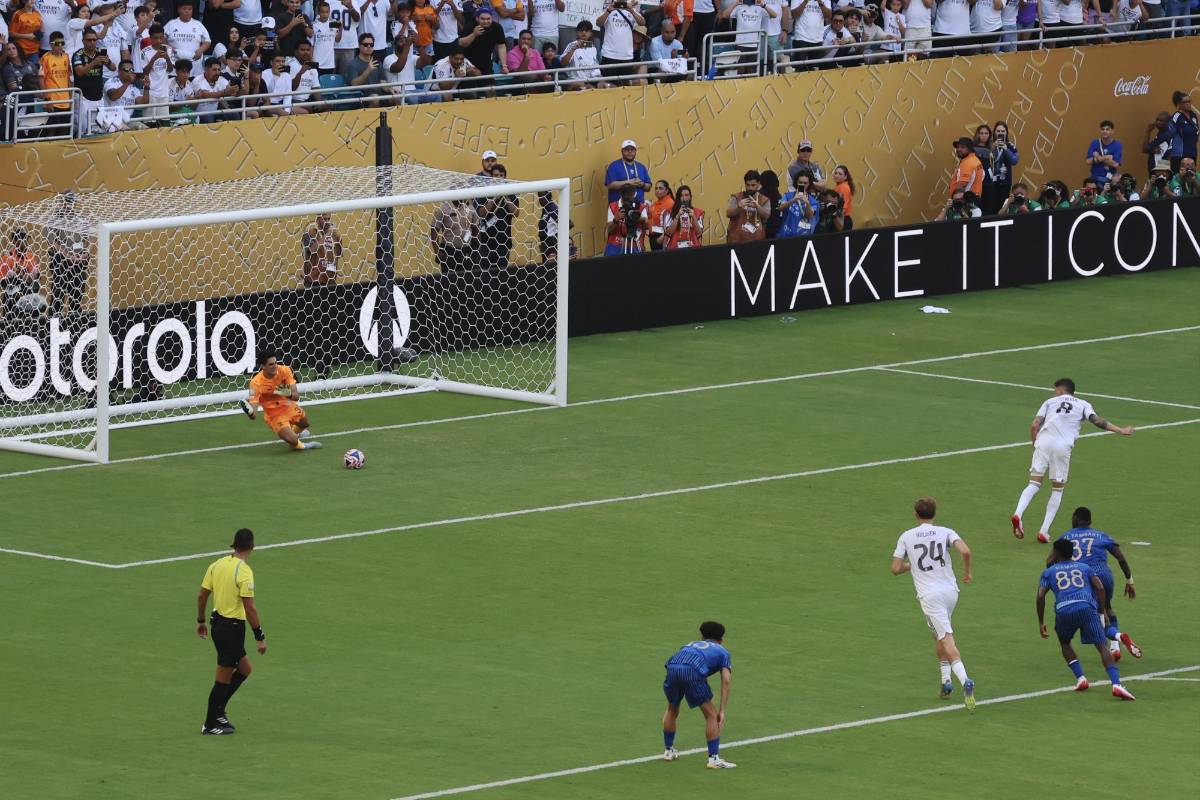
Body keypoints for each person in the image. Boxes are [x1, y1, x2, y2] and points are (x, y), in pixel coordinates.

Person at [1011, 378, 1134, 543]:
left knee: (1033, 484)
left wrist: (1036, 444)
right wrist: (1121, 430)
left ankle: (1018, 514)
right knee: (1057, 489)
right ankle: (1044, 531)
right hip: (1062, 446)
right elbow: (1098, 421)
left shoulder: (1049, 402)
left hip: (1044, 442)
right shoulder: (1083, 404)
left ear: (1061, 390)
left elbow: (1035, 425)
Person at [891, 497, 975, 708]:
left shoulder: (906, 537)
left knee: (946, 638)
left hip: (930, 596)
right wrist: (967, 573)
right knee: (938, 632)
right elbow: (965, 551)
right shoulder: (946, 531)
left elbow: (895, 568)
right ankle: (945, 681)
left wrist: (911, 567)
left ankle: (965, 681)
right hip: (950, 592)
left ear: (916, 515)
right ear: (934, 514)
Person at [1036, 538, 1136, 700]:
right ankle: (1116, 684)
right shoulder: (1084, 567)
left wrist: (1041, 622)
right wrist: (1101, 612)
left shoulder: (1049, 572)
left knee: (1065, 642)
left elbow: (1040, 596)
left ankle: (1081, 678)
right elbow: (1100, 587)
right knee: (1102, 646)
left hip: (1064, 610)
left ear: (1056, 553)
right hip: (1086, 607)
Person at [196, 528, 269, 735]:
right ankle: (210, 723)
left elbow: (202, 595)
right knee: (223, 677)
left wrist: (201, 620)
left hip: (217, 624)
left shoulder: (217, 564)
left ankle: (219, 712)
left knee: (245, 669)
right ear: (252, 547)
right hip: (232, 629)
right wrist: (260, 637)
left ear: (233, 545)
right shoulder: (244, 571)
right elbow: (250, 608)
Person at [1051, 506, 1143, 663]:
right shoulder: (1100, 535)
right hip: (1104, 575)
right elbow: (1120, 558)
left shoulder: (1067, 536)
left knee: (1095, 618)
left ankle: (1119, 638)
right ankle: (1115, 647)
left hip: (1084, 577)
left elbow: (1050, 561)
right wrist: (1129, 580)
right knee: (1107, 608)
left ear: (1076, 519)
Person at [660, 621, 735, 769]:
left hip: (672, 667)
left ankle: (668, 751)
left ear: (701, 636)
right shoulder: (722, 651)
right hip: (692, 672)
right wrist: (722, 711)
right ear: (721, 639)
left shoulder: (690, 644)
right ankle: (714, 759)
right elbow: (726, 681)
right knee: (712, 715)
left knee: (671, 709)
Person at [237, 349, 323, 450]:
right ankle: (302, 445)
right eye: (271, 364)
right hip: (274, 415)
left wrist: (288, 394)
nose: (275, 366)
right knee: (293, 441)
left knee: (305, 424)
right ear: (262, 366)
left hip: (288, 405)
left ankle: (294, 433)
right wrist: (251, 413)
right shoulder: (255, 383)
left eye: (275, 363)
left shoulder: (285, 370)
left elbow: (296, 396)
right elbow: (254, 413)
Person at [479, 162, 519, 269]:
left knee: (501, 274)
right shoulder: (484, 193)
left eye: (501, 175)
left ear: (505, 177)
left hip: (503, 242)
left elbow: (516, 213)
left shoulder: (511, 194)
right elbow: (481, 214)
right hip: (486, 242)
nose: (499, 178)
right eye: (496, 175)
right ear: (491, 177)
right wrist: (494, 199)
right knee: (485, 273)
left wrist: (505, 197)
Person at [597, 0, 644, 83]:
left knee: (625, 88)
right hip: (609, 55)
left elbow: (642, 23)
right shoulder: (608, 8)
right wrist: (608, 11)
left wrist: (632, 11)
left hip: (627, 56)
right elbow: (598, 23)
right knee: (608, 87)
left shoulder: (632, 9)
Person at [0, 229, 43, 318]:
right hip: (12, 301)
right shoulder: (6, 258)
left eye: (26, 239)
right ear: (15, 241)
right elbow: (3, 283)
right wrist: (20, 277)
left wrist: (33, 277)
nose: (26, 242)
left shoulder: (30, 257)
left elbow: (37, 279)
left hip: (29, 301)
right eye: (22, 239)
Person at [430, 196, 480, 270]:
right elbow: (434, 232)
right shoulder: (443, 209)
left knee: (468, 277)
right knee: (449, 278)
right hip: (449, 251)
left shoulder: (470, 209)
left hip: (466, 250)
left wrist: (476, 249)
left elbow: (476, 229)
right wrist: (438, 251)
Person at [725, 169, 769, 243]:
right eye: (748, 185)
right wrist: (738, 207)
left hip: (757, 240)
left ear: (758, 184)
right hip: (736, 240)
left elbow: (766, 216)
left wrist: (757, 207)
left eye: (753, 185)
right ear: (745, 184)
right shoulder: (736, 197)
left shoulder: (764, 200)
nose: (750, 188)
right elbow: (728, 213)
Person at [605, 183, 649, 255]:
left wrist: (638, 218)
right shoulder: (613, 206)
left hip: (635, 244)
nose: (629, 198)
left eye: (631, 195)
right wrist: (616, 220)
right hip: (615, 246)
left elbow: (646, 226)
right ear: (621, 194)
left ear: (634, 194)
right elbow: (609, 229)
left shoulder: (641, 207)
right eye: (627, 196)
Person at [561, 20, 606, 90]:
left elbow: (596, 68)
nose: (584, 32)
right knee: (587, 87)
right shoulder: (571, 45)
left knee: (607, 86)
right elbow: (563, 63)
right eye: (581, 30)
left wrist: (601, 80)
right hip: (576, 80)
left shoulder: (593, 47)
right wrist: (573, 49)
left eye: (587, 30)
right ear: (577, 33)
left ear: (591, 33)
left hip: (591, 80)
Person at [604, 139, 652, 204]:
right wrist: (629, 182)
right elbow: (610, 185)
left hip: (639, 207)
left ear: (635, 151)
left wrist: (642, 184)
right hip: (618, 208)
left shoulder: (641, 167)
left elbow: (648, 187)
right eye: (627, 150)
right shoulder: (614, 166)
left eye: (632, 150)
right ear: (622, 151)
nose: (630, 152)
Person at [777, 170, 819, 237]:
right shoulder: (788, 195)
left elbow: (810, 216)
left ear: (809, 184)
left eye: (805, 183)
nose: (802, 185)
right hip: (785, 235)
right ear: (796, 182)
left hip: (803, 237)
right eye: (800, 182)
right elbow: (780, 208)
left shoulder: (813, 201)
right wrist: (794, 199)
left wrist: (807, 203)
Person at [989, 120, 1018, 214]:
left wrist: (1006, 150)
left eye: (1003, 131)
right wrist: (991, 149)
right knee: (990, 208)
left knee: (1002, 208)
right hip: (990, 183)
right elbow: (984, 161)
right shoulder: (990, 145)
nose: (1000, 133)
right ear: (994, 132)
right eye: (998, 131)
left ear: (1006, 133)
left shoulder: (1010, 146)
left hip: (1005, 183)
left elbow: (1014, 161)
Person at [663, 184, 705, 249]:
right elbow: (668, 232)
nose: (684, 198)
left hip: (693, 247)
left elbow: (699, 232)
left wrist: (693, 217)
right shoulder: (669, 212)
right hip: (674, 248)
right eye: (681, 195)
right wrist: (677, 216)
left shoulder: (698, 212)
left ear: (690, 197)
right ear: (678, 197)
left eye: (686, 195)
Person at [1085, 119, 1123, 188]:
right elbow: (1088, 161)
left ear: (1112, 131)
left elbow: (1115, 164)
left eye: (1107, 129)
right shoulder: (1095, 143)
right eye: (1103, 129)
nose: (1105, 131)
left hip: (1109, 180)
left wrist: (1100, 157)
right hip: (1095, 179)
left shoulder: (1117, 145)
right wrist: (1107, 157)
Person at [948, 136, 983, 206]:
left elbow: (962, 185)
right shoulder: (975, 159)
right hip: (973, 198)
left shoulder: (967, 163)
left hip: (965, 201)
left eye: (962, 147)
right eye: (958, 147)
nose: (959, 149)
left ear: (969, 149)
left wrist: (955, 201)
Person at [1169, 91, 1197, 174]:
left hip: (1192, 153)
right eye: (1185, 102)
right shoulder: (1176, 117)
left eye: (1189, 101)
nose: (1188, 104)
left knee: (1191, 178)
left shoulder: (1193, 116)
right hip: (1179, 155)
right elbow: (1170, 133)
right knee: (1179, 178)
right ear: (1179, 104)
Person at [971, 123, 996, 213]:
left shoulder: (993, 148)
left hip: (990, 182)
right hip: (977, 182)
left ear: (990, 135)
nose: (984, 136)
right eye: (981, 133)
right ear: (978, 134)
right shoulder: (972, 149)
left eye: (986, 133)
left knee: (988, 208)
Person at [1143, 111, 1175, 177]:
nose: (1158, 122)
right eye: (1157, 120)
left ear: (1167, 122)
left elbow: (1145, 148)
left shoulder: (1164, 136)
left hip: (1158, 169)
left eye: (1161, 121)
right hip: (1163, 167)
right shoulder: (1167, 131)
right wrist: (1152, 150)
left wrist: (1148, 131)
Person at [647, 180, 675, 251]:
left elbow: (672, 224)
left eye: (660, 188)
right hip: (653, 238)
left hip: (662, 239)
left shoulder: (670, 204)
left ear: (666, 190)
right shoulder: (655, 203)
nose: (657, 190)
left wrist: (662, 238)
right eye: (656, 188)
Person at [831, 164, 855, 229]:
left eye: (840, 174)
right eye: (835, 173)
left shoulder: (843, 187)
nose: (837, 175)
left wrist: (836, 218)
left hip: (842, 220)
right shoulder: (839, 186)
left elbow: (842, 208)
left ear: (845, 177)